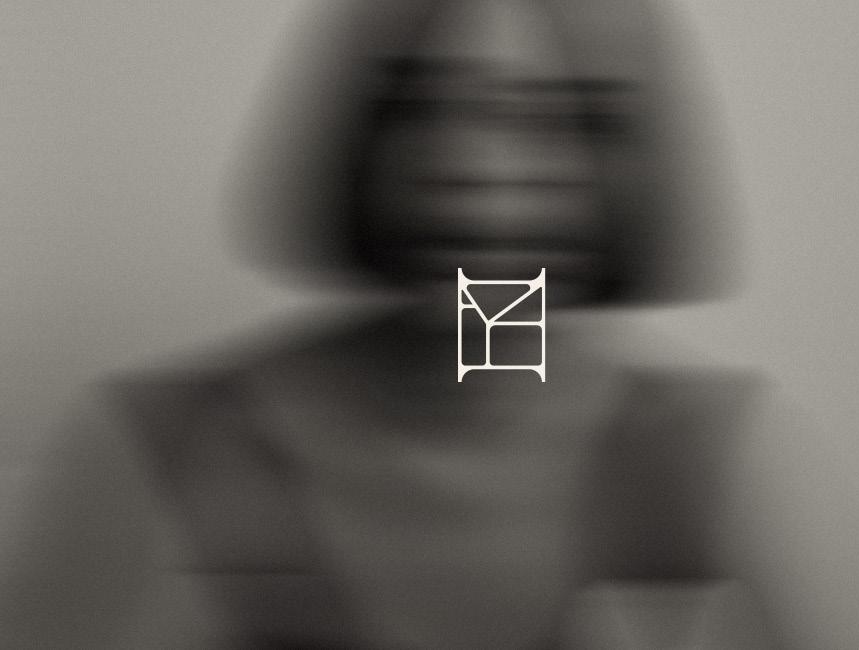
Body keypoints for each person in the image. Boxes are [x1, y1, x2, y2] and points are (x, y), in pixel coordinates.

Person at [1, 1, 792, 647]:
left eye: (546, 119)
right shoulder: (169, 454)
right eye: (423, 105)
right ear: (363, 129)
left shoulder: (706, 463)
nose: (473, 164)